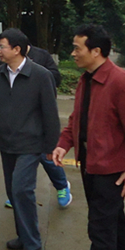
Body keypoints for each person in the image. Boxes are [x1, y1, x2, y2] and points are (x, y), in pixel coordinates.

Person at [53, 24, 125, 250]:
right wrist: (64, 143)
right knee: (115, 222)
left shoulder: (121, 83)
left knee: (101, 231)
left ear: (96, 51)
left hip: (111, 169)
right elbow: (77, 119)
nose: (73, 53)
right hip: (90, 164)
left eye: (77, 48)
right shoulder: (86, 79)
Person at [0, 28, 60, 250]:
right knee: (13, 192)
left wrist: (52, 146)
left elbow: (50, 113)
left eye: (2, 46)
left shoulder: (41, 75)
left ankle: (33, 246)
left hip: (31, 144)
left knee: (22, 190)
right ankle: (23, 235)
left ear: (17, 49)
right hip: (7, 143)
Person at [26, 43, 73, 209]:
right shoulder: (8, 61)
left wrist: (36, 73)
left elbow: (56, 77)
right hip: (20, 116)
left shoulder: (41, 55)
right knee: (21, 157)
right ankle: (20, 191)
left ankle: (62, 186)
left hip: (41, 113)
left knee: (46, 155)